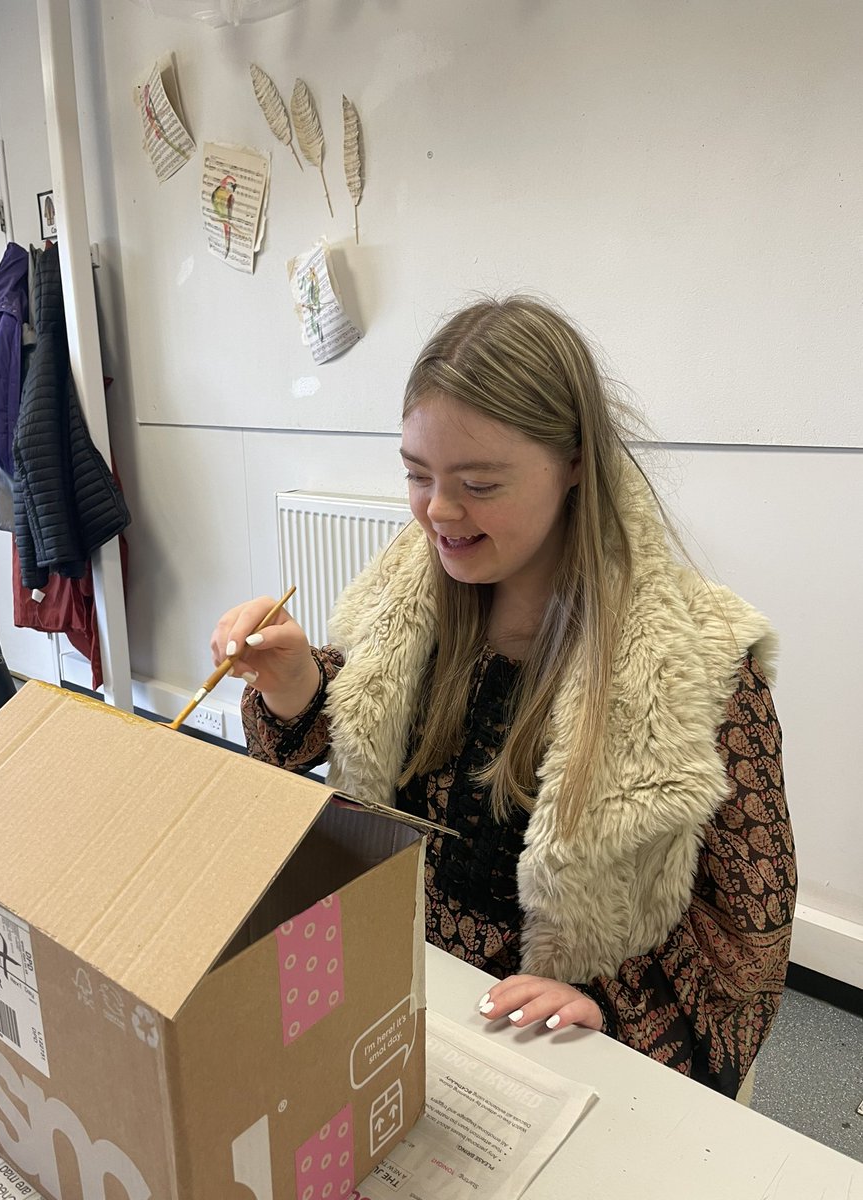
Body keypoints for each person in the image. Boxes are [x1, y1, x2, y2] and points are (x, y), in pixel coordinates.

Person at [212, 296, 795, 1098]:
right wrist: (293, 687)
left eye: (479, 483)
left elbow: (750, 947)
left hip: (555, 1059)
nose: (438, 513)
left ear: (576, 462)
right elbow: (343, 750)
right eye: (416, 475)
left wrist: (608, 1011)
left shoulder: (702, 673)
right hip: (399, 1004)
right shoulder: (399, 601)